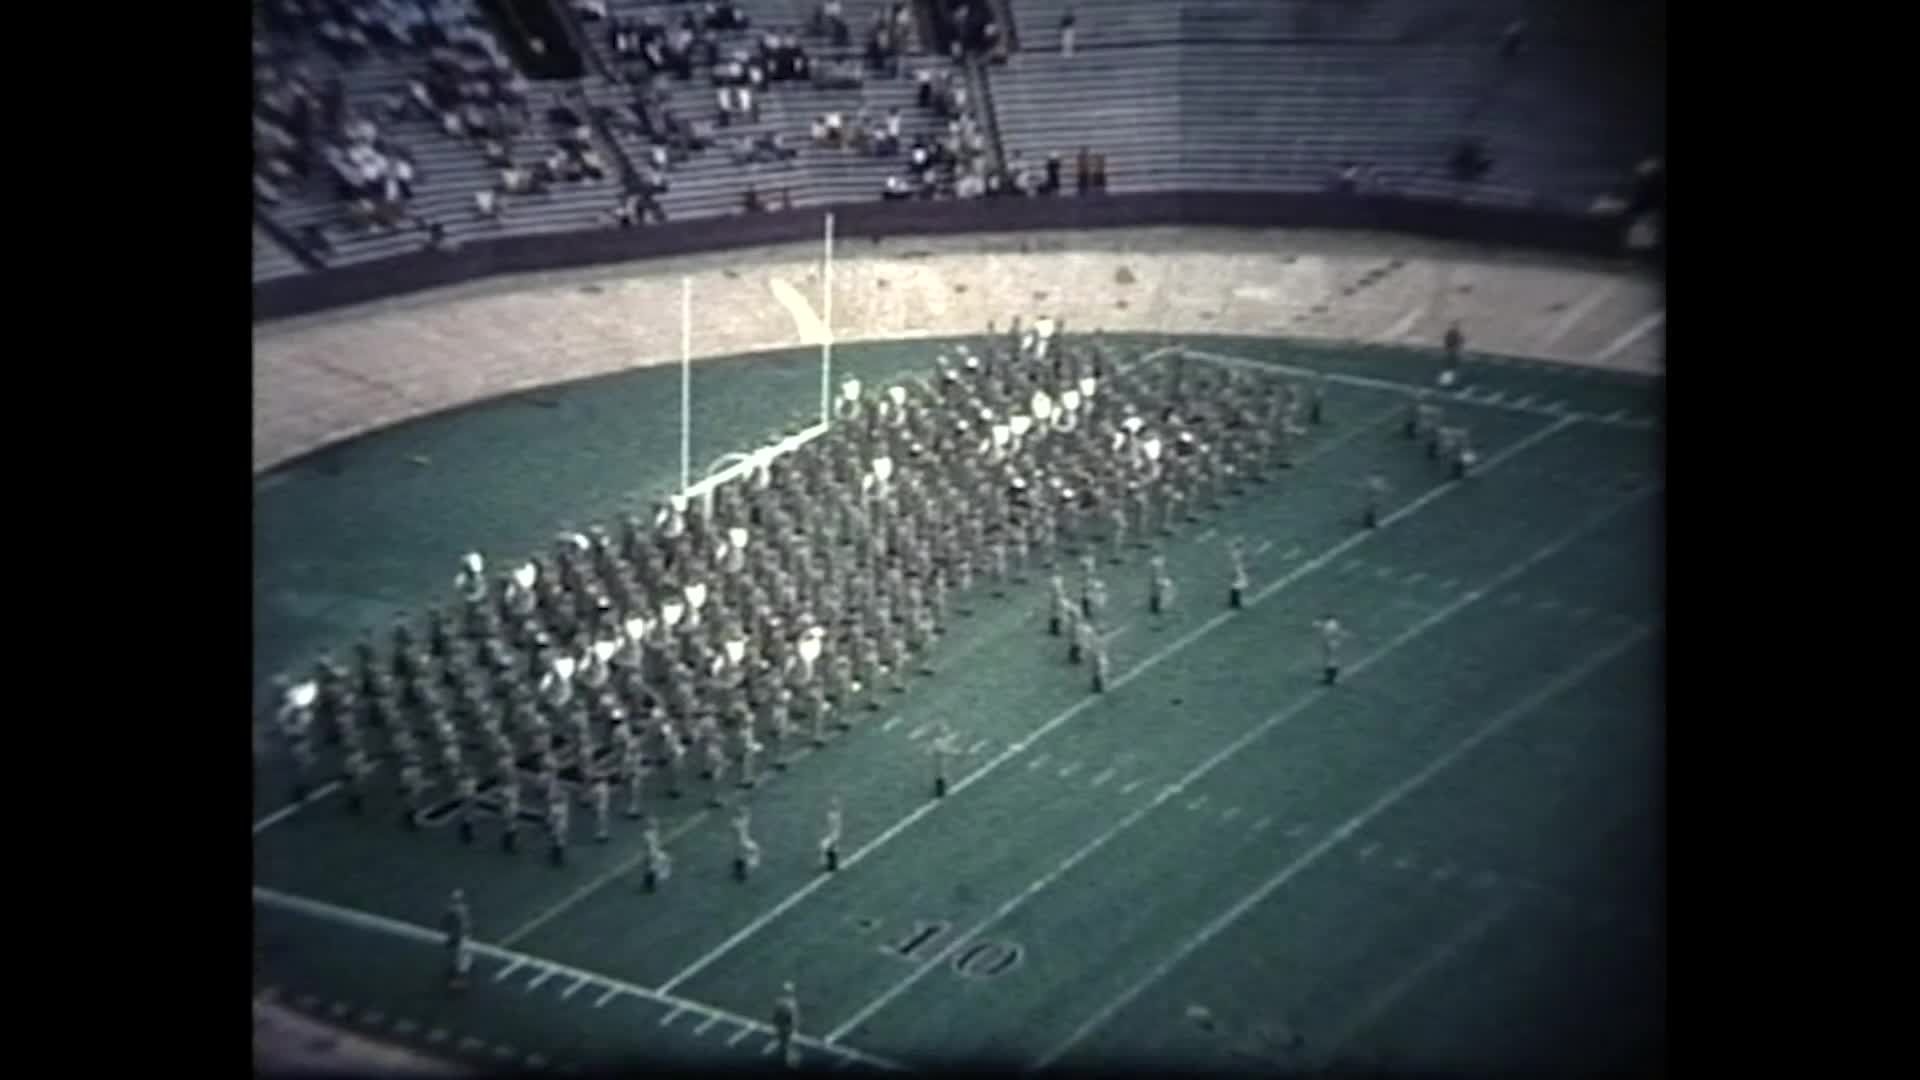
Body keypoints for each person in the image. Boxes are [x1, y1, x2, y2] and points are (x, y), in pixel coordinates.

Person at [444, 889, 473, 991]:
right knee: (463, 958)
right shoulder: (464, 908)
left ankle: (460, 981)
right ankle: (461, 978)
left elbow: (448, 922)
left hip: (460, 936)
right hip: (464, 935)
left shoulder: (453, 909)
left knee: (460, 959)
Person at [773, 982, 802, 1067]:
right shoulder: (792, 1003)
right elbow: (794, 1018)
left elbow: (775, 1015)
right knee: (790, 1045)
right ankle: (791, 1062)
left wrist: (775, 1025)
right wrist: (795, 1030)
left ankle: (786, 1060)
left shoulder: (779, 1001)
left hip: (781, 1027)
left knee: (783, 1044)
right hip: (787, 1028)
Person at [1315, 615, 1348, 685]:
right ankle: (1332, 678)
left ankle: (1330, 679)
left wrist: (1318, 624)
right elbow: (1339, 632)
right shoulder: (1334, 624)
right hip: (1334, 643)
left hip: (1330, 643)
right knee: (1333, 660)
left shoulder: (1329, 625)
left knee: (1330, 661)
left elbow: (1326, 631)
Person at [732, 803, 761, 880]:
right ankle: (742, 871)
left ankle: (740, 869)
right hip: (743, 841)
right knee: (752, 851)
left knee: (742, 856)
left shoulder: (736, 822)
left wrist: (743, 811)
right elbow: (747, 817)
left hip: (741, 842)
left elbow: (745, 817)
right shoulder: (740, 822)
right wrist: (744, 811)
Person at [820, 795, 843, 872]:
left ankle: (829, 863)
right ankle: (831, 864)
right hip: (834, 833)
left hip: (834, 834)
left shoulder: (832, 815)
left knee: (827, 846)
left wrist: (832, 835)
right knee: (831, 847)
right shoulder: (834, 814)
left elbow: (834, 826)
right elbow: (834, 826)